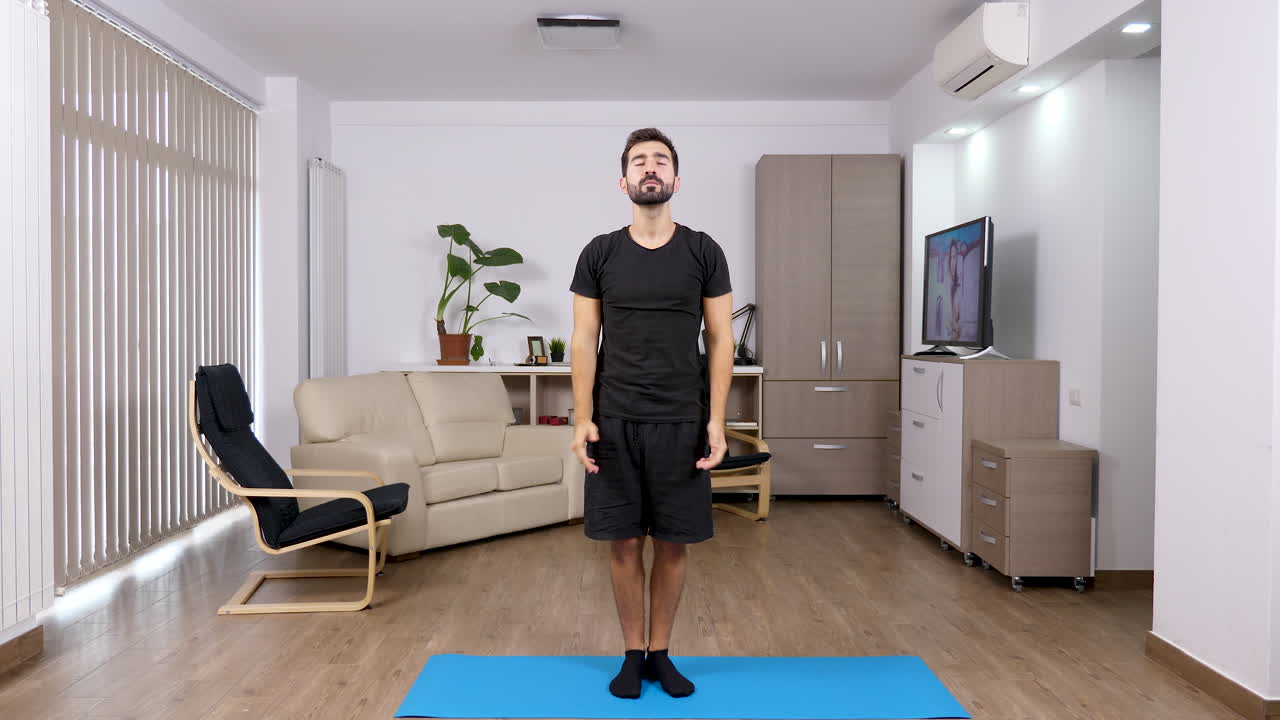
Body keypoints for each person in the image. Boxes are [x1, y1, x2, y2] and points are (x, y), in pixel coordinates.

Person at [568, 128, 735, 700]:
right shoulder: (599, 253)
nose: (650, 168)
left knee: (672, 542)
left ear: (675, 180)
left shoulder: (703, 251)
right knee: (621, 544)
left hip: (681, 422)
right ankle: (631, 654)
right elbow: (584, 338)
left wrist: (715, 421)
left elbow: (720, 339)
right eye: (639, 161)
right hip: (614, 419)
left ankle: (661, 653)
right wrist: (581, 417)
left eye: (660, 160)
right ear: (623, 182)